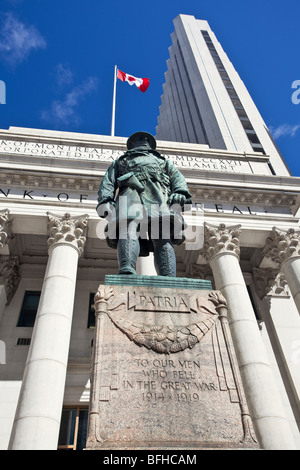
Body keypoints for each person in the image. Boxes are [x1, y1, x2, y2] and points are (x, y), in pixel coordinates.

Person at [96, 131, 192, 276]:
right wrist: (106, 200)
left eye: (147, 138)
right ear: (132, 144)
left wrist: (180, 192)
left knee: (161, 234)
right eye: (140, 138)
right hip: (130, 195)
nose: (144, 140)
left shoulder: (163, 162)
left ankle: (168, 275)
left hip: (158, 196)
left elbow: (178, 179)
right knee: (128, 229)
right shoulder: (121, 161)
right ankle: (127, 267)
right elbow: (108, 183)